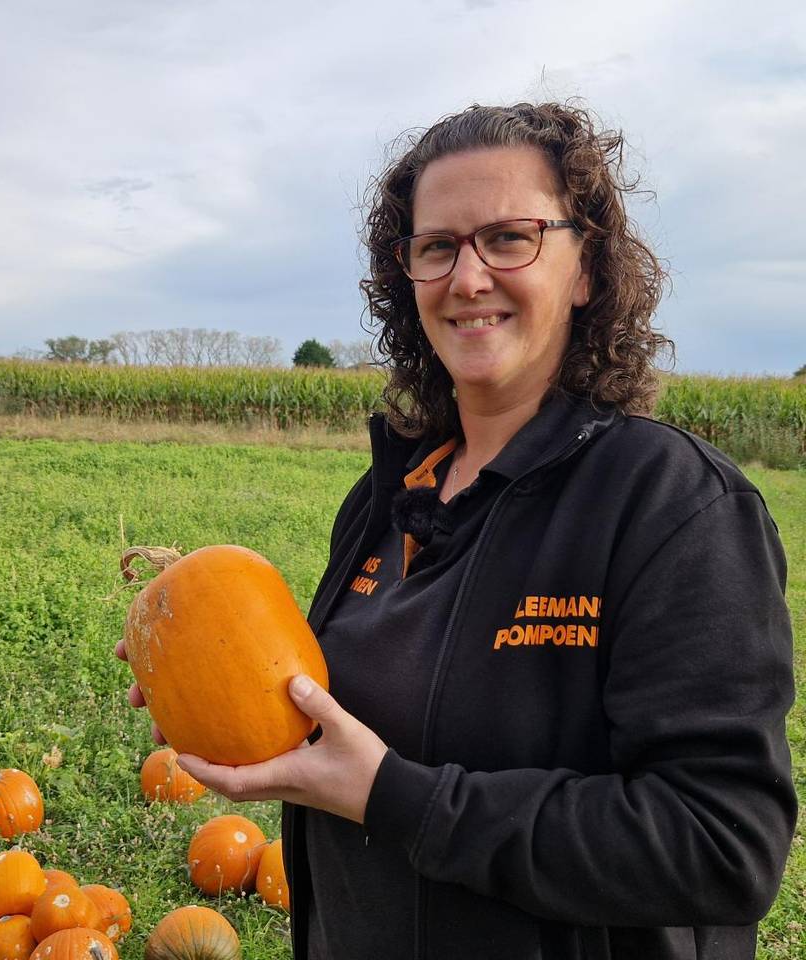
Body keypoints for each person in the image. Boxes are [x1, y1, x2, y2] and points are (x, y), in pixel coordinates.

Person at [115, 102, 797, 959]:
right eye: (437, 247)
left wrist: (396, 799)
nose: (468, 278)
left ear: (585, 269)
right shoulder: (387, 495)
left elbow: (722, 844)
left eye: (510, 238)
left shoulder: (671, 503)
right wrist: (226, 693)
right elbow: (353, 737)